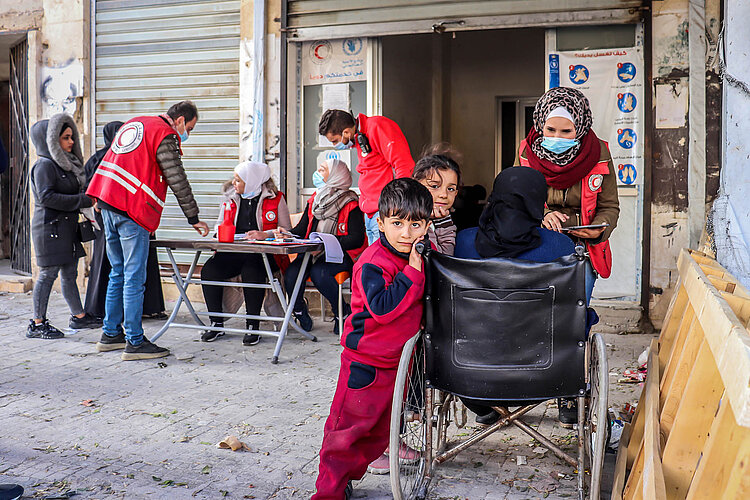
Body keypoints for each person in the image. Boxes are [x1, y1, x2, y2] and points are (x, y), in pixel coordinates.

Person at [312, 178, 432, 499]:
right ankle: (329, 492)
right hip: (365, 365)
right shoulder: (373, 263)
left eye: (415, 224)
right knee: (346, 433)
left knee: (379, 433)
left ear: (426, 225)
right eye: (397, 224)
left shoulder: (415, 257)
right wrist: (413, 272)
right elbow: (382, 308)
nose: (406, 233)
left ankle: (347, 478)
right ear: (380, 223)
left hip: (396, 364)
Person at [455, 167, 594, 429]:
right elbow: (575, 311)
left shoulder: (463, 242)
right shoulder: (561, 247)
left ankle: (484, 407)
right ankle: (568, 400)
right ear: (537, 202)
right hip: (545, 371)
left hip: (469, 370)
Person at [86, 100, 210, 360]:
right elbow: (176, 176)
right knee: (133, 276)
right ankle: (134, 340)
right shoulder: (164, 133)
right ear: (179, 120)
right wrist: (193, 217)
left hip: (107, 202)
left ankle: (110, 334)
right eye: (190, 127)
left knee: (117, 272)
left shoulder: (136, 123)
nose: (187, 134)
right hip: (131, 208)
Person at [516, 87, 619, 301]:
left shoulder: (598, 153)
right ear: (540, 124)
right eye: (550, 129)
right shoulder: (526, 153)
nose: (557, 137)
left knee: (576, 313)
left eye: (566, 132)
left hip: (582, 249)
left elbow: (609, 206)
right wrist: (541, 214)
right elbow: (514, 199)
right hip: (537, 245)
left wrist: (599, 229)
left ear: (579, 128)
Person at [27, 113, 102, 339]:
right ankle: (37, 323)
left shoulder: (64, 165)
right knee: (48, 274)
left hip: (66, 229)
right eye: (65, 138)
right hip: (49, 230)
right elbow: (47, 197)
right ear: (50, 140)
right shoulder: (44, 166)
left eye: (71, 137)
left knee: (70, 272)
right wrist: (83, 201)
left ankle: (78, 317)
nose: (71, 142)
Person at [199, 161, 291, 346]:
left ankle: (252, 325)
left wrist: (265, 234)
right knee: (209, 270)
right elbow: (219, 225)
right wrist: (223, 232)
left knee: (252, 270)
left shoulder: (275, 198)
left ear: (252, 181)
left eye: (238, 180)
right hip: (236, 251)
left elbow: (287, 231)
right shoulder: (229, 197)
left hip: (264, 254)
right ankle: (216, 323)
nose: (234, 183)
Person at [83, 121, 167, 320]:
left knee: (117, 272)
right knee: (132, 275)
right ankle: (133, 335)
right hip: (131, 218)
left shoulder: (106, 158)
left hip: (111, 217)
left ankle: (111, 328)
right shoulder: (120, 157)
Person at [283, 158, 366, 334]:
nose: (317, 173)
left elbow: (357, 239)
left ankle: (341, 312)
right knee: (291, 275)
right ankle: (299, 311)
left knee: (320, 274)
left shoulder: (351, 204)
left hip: (339, 256)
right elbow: (301, 228)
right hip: (311, 254)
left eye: (322, 170)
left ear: (336, 176)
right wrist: (286, 234)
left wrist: (328, 243)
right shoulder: (315, 199)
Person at [318, 109, 415, 245]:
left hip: (384, 211)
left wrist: (396, 205)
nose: (335, 146)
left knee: (381, 264)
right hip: (370, 213)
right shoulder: (360, 137)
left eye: (335, 141)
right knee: (373, 262)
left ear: (346, 132)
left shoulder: (377, 126)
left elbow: (404, 164)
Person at [412, 152, 461, 255]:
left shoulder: (445, 221)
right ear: (416, 185)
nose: (444, 195)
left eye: (450, 189)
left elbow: (445, 259)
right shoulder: (405, 220)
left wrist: (442, 222)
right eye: (434, 186)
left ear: (456, 193)